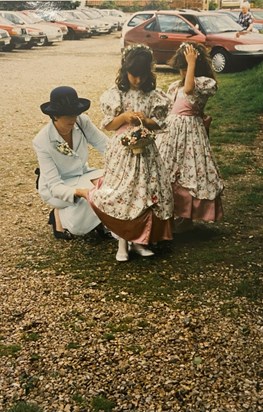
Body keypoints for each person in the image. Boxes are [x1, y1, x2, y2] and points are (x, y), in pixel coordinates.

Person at [88, 44, 174, 261]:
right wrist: (124, 117)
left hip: (145, 151)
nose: (138, 80)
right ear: (125, 71)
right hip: (123, 151)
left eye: (142, 76)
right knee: (123, 192)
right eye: (134, 75)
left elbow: (160, 123)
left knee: (144, 192)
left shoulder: (154, 95)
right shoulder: (116, 94)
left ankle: (140, 241)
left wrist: (146, 121)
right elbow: (109, 125)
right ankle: (122, 243)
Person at [157, 42, 224, 233]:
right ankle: (172, 212)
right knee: (169, 168)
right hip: (171, 133)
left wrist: (192, 63)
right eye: (182, 68)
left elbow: (189, 90)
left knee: (190, 171)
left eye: (185, 68)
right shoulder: (174, 87)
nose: (182, 72)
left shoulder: (204, 82)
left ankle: (187, 217)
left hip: (191, 133)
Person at [33, 86, 109, 239]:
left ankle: (102, 223)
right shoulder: (42, 141)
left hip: (81, 174)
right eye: (69, 118)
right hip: (57, 186)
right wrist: (81, 193)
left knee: (110, 183)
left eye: (76, 114)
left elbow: (105, 145)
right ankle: (60, 217)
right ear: (55, 116)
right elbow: (54, 186)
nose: (74, 121)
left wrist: (122, 161)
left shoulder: (81, 121)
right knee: (87, 206)